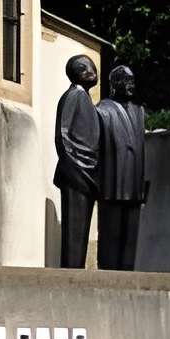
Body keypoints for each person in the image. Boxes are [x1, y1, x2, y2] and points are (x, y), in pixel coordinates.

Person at [93, 62, 149, 270]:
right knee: (111, 236)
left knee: (130, 240)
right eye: (126, 80)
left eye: (133, 80)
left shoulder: (139, 111)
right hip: (111, 184)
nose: (131, 84)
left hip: (134, 186)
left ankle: (128, 276)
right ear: (114, 84)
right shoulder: (102, 110)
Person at [52, 53, 101, 267]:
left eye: (92, 67)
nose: (92, 72)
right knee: (75, 228)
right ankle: (72, 272)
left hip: (86, 172)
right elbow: (63, 134)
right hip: (77, 172)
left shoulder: (85, 98)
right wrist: (78, 165)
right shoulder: (75, 96)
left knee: (80, 228)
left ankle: (76, 268)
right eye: (85, 68)